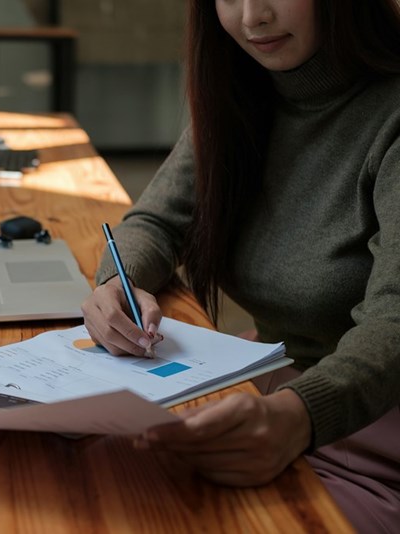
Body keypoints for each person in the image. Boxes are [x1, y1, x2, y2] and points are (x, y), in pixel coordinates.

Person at [81, 0, 400, 531]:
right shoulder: (244, 89)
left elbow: (395, 322)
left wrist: (297, 415)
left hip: (368, 427)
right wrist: (120, 281)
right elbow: (156, 220)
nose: (252, 17)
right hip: (277, 388)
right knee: (93, 476)